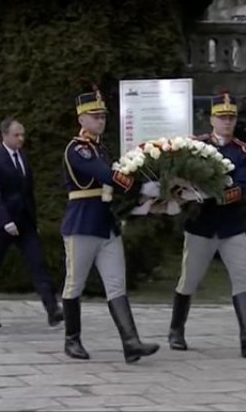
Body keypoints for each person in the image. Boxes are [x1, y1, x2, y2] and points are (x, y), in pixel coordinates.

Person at [167, 90, 246, 358]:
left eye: (230, 117)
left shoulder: (243, 151)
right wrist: (184, 194)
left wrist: (209, 194)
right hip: (201, 226)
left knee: (241, 277)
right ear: (211, 119)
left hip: (231, 225)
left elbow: (243, 185)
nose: (226, 122)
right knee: (189, 280)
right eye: (221, 117)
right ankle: (176, 330)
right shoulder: (196, 147)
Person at [60, 84, 160, 363]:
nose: (100, 120)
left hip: (105, 225)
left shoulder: (100, 148)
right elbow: (105, 175)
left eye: (103, 116)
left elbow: (112, 179)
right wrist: (141, 188)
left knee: (117, 285)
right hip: (82, 225)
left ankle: (131, 342)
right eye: (94, 116)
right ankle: (72, 340)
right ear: (81, 119)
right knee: (74, 285)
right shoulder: (78, 150)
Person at [0, 117, 64, 328]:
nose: (21, 138)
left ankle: (52, 308)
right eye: (16, 135)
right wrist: (5, 220)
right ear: (4, 135)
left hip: (25, 222)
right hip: (2, 224)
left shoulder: (23, 157)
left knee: (38, 263)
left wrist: (34, 220)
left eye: (22, 134)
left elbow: (28, 192)